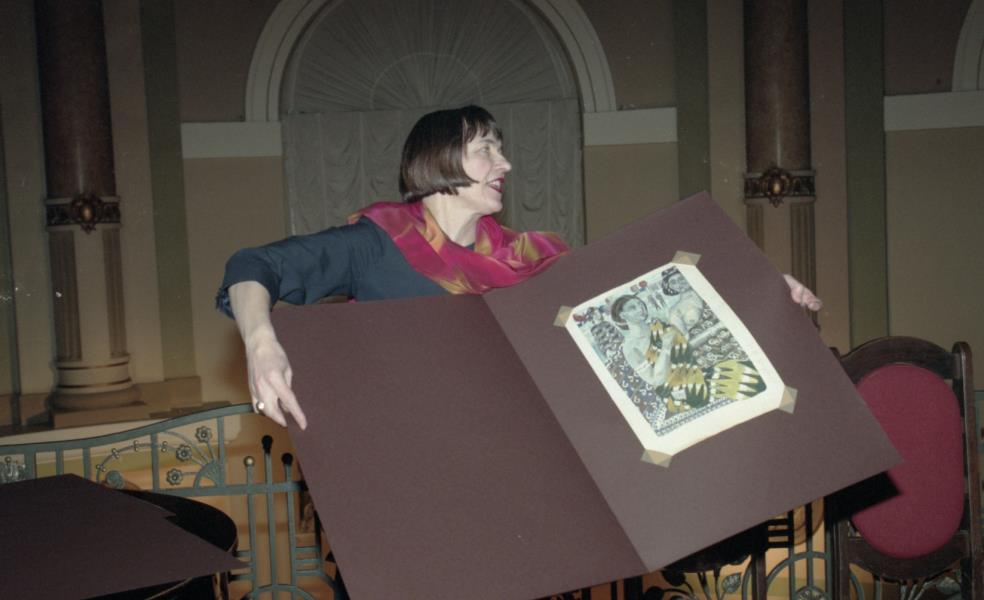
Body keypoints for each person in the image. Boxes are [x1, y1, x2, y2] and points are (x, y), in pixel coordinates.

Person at [217, 104, 822, 429]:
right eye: (486, 149)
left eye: (500, 150)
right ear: (441, 159)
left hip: (506, 456)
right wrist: (262, 344)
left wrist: (758, 289)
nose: (503, 163)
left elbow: (640, 297)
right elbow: (253, 265)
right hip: (402, 457)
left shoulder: (529, 256)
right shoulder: (378, 243)